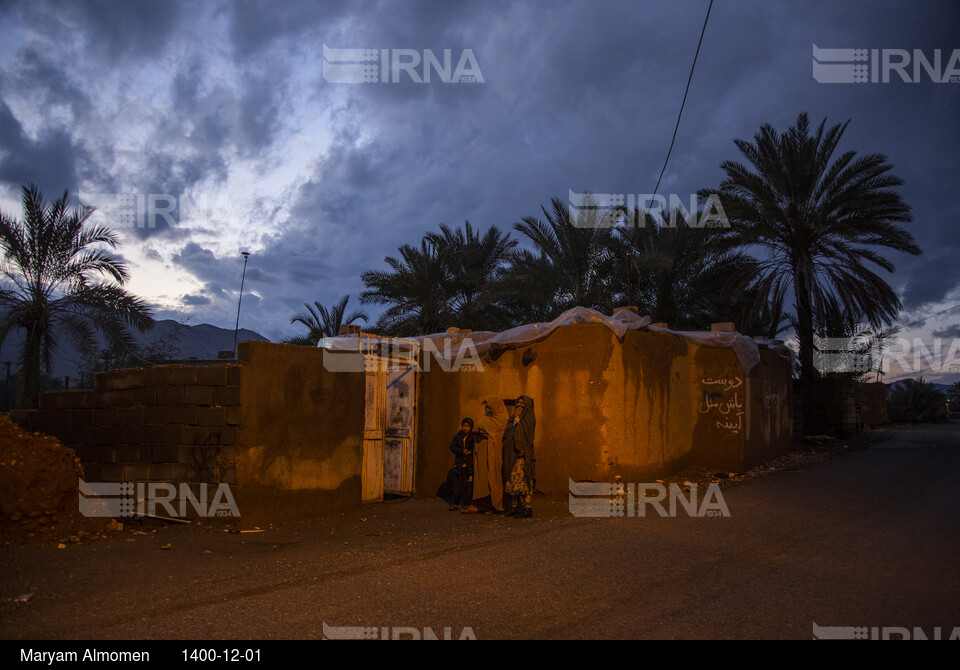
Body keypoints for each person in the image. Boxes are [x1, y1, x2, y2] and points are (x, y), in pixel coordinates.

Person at [470, 396, 508, 514]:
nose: (486, 410)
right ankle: (481, 504)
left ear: (496, 407)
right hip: (482, 453)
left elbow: (497, 437)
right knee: (482, 478)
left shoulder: (502, 419)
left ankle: (493, 505)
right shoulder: (487, 417)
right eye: (486, 407)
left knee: (493, 476)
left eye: (489, 407)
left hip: (493, 453)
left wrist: (483, 433)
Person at [502, 395, 536, 518]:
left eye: (523, 403)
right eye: (518, 402)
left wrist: (517, 421)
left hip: (523, 456)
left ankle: (528, 509)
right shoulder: (513, 419)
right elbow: (507, 434)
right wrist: (515, 420)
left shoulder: (529, 418)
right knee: (512, 481)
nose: (519, 405)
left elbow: (525, 436)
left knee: (524, 481)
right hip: (513, 456)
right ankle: (515, 507)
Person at [449, 418, 476, 512]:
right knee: (458, 486)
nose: (465, 428)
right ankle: (456, 503)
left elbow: (475, 448)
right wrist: (461, 451)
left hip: (469, 466)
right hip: (459, 465)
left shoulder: (473, 437)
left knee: (468, 486)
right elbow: (452, 447)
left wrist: (470, 452)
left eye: (467, 426)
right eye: (464, 426)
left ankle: (466, 504)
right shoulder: (458, 436)